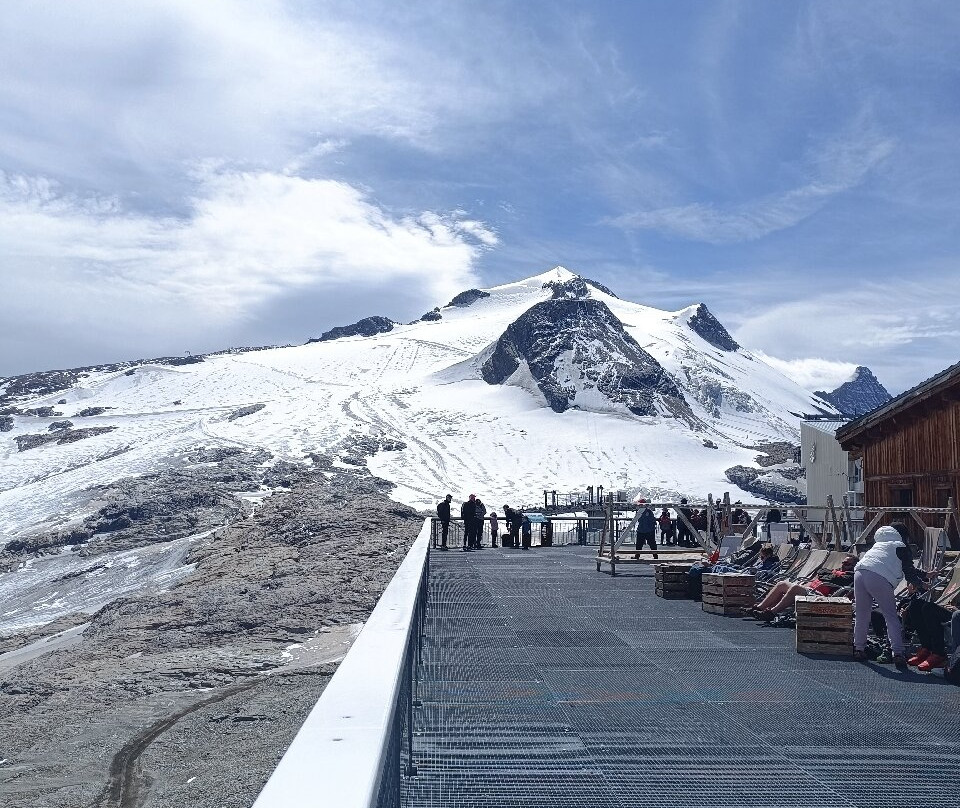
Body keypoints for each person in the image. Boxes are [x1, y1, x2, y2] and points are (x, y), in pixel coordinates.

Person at [853, 525, 925, 669]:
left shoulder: (878, 545)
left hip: (859, 574)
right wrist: (922, 584)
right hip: (878, 578)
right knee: (890, 616)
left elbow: (901, 566)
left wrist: (923, 574)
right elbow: (909, 572)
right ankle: (897, 653)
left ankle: (858, 649)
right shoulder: (901, 546)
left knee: (862, 615)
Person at [748, 556, 856, 621]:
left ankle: (772, 613)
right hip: (809, 589)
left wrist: (829, 574)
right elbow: (822, 572)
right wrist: (829, 574)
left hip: (819, 595)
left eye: (846, 563)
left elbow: (830, 578)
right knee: (781, 584)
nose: (843, 564)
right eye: (843, 562)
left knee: (794, 588)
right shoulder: (837, 571)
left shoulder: (850, 575)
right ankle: (759, 608)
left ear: (853, 565)